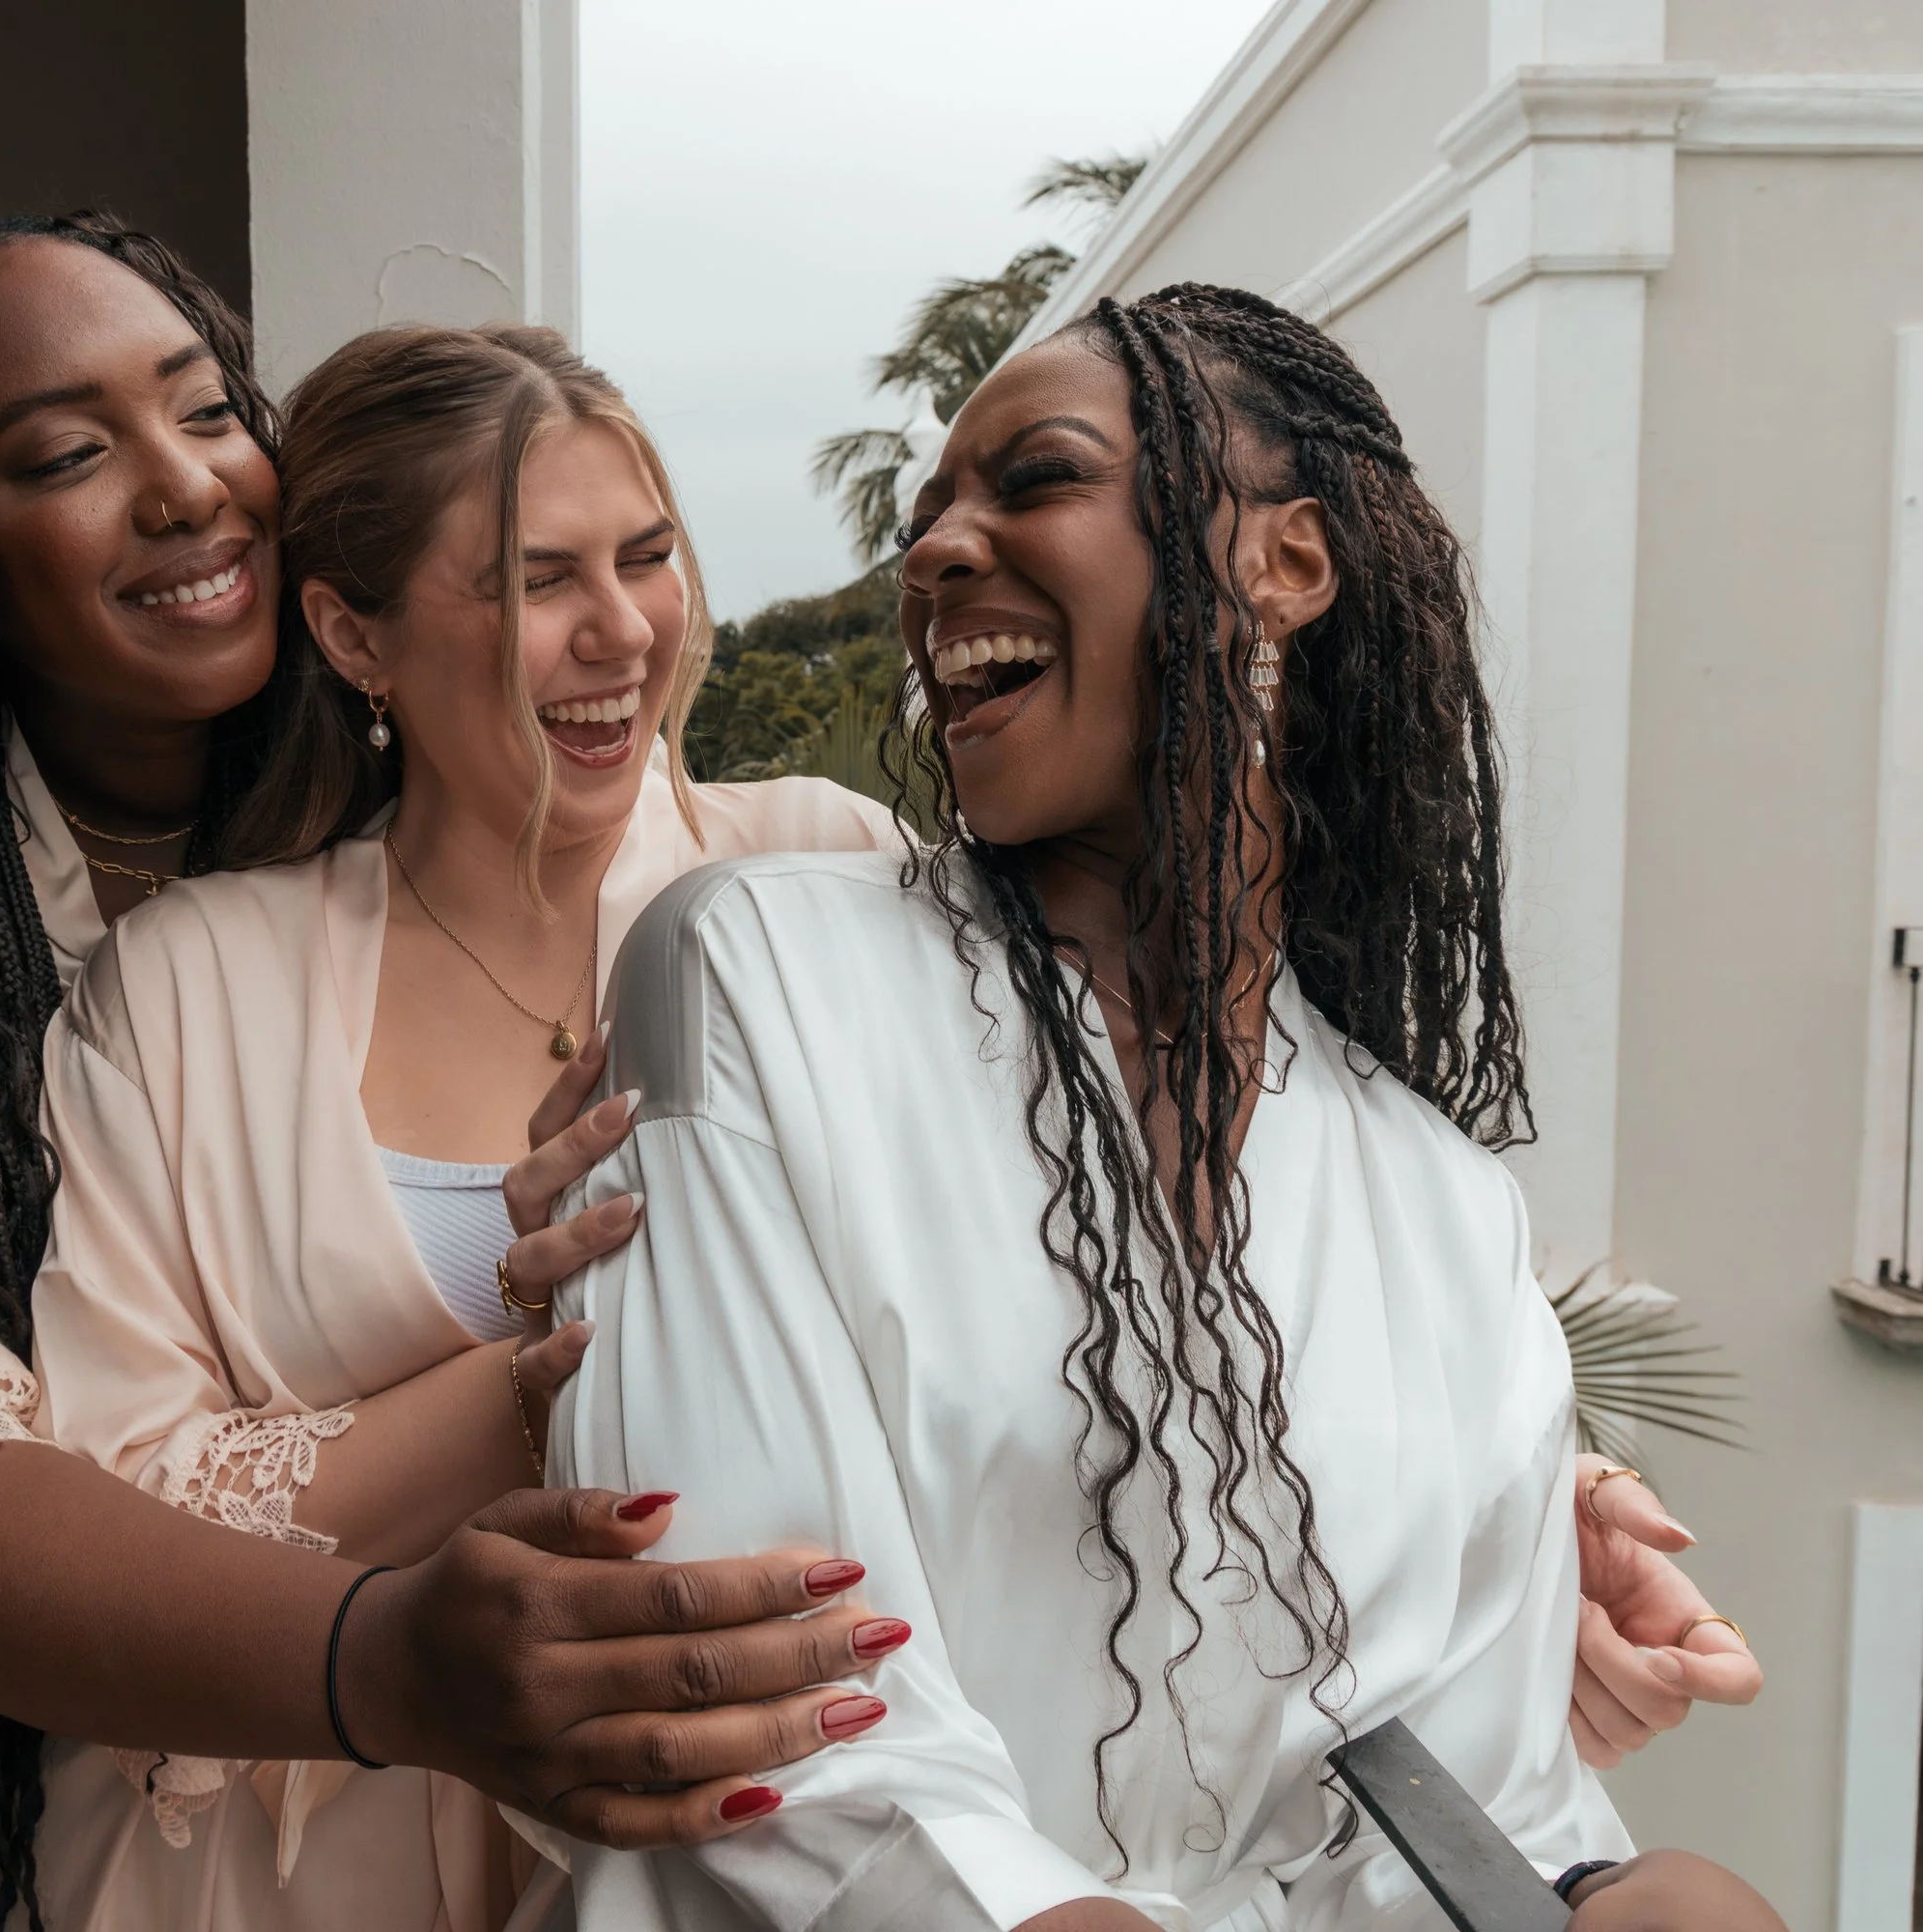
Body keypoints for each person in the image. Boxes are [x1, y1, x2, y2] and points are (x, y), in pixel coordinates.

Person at [537, 287, 1784, 1932]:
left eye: (1031, 478)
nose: (936, 555)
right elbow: (787, 1749)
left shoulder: (1440, 1208)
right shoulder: (758, 982)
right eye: (927, 517)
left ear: (1287, 565)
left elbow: (1473, 1808)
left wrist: (1605, 1894)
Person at [0, 216, 900, 1932]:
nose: (191, 487)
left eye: (208, 411)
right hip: (196, 1814)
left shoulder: (675, 849)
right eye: (66, 452)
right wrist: (409, 1615)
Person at [19, 323, 909, 1927]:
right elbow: (115, 1510)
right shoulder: (183, 988)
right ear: (354, 636)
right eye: (533, 579)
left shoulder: (827, 878)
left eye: (647, 558)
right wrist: (537, 1368)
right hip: (292, 1870)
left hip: (748, 1848)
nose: (622, 628)